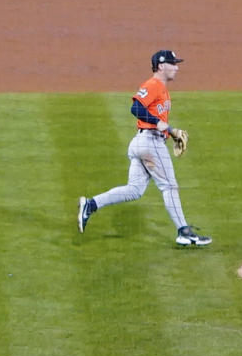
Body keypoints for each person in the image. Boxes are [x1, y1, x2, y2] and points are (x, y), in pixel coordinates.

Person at [77, 50, 211, 246]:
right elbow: (136, 108)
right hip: (150, 142)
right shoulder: (154, 85)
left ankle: (91, 204)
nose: (177, 67)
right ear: (161, 65)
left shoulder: (162, 88)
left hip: (145, 143)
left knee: (134, 190)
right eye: (173, 64)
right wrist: (159, 124)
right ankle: (184, 231)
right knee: (169, 186)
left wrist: (170, 133)